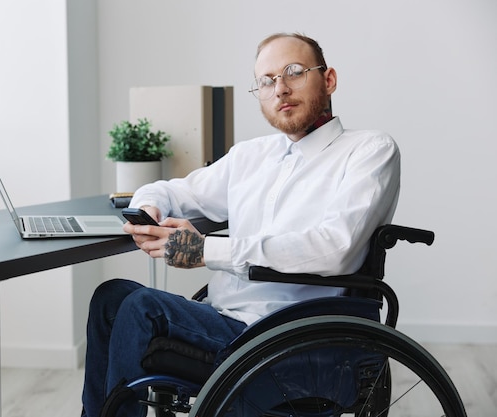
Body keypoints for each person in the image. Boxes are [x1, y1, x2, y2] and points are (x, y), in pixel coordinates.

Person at [81, 32, 400, 417]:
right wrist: (148, 207)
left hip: (288, 335)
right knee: (110, 298)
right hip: (222, 320)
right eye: (266, 81)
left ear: (328, 79)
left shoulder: (368, 150)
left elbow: (335, 249)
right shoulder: (250, 156)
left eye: (294, 72)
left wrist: (206, 251)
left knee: (141, 307)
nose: (280, 89)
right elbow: (169, 189)